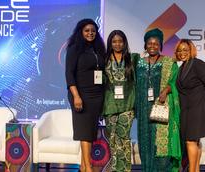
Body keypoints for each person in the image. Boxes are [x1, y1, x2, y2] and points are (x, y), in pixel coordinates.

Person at [133, 28, 181, 172]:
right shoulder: (139, 63)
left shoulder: (168, 62)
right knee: (145, 143)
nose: (152, 46)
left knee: (160, 145)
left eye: (156, 43)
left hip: (161, 107)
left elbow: (175, 81)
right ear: (145, 45)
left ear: (160, 45)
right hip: (143, 108)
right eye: (149, 43)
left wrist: (166, 90)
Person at [65, 18, 106, 172]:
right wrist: (76, 96)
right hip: (81, 94)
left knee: (90, 131)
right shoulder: (74, 48)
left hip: (97, 95)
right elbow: (69, 74)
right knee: (84, 131)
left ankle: (83, 167)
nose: (90, 33)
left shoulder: (98, 49)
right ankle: (88, 167)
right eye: (87, 31)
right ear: (81, 32)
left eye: (93, 31)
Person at [175, 39, 205, 172]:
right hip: (187, 110)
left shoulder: (198, 64)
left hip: (197, 108)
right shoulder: (182, 67)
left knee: (190, 141)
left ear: (191, 50)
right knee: (195, 141)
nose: (182, 53)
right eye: (180, 50)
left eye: (185, 50)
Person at [103, 30, 135, 172]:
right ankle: (115, 169)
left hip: (127, 105)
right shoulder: (104, 59)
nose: (117, 44)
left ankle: (125, 169)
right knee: (113, 139)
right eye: (114, 41)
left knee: (124, 138)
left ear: (124, 42)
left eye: (120, 41)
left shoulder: (132, 58)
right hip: (109, 104)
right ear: (110, 43)